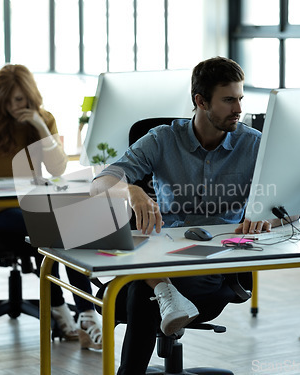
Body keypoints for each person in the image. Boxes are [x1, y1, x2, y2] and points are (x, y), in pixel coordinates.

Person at [91, 56, 285, 374]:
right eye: (228, 100)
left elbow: (290, 208)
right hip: (164, 255)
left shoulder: (253, 145)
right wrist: (134, 191)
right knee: (143, 285)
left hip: (214, 265)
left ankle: (162, 295)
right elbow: (103, 181)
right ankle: (164, 291)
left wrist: (267, 217)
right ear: (200, 101)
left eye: (240, 99)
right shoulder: (163, 139)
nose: (238, 109)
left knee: (141, 290)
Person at [0, 64, 101, 350]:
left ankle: (78, 312)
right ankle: (75, 311)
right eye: (7, 100)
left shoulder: (45, 119)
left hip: (33, 208)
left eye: (19, 99)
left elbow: (57, 167)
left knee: (62, 226)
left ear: (30, 95)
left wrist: (40, 126)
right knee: (55, 227)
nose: (13, 106)